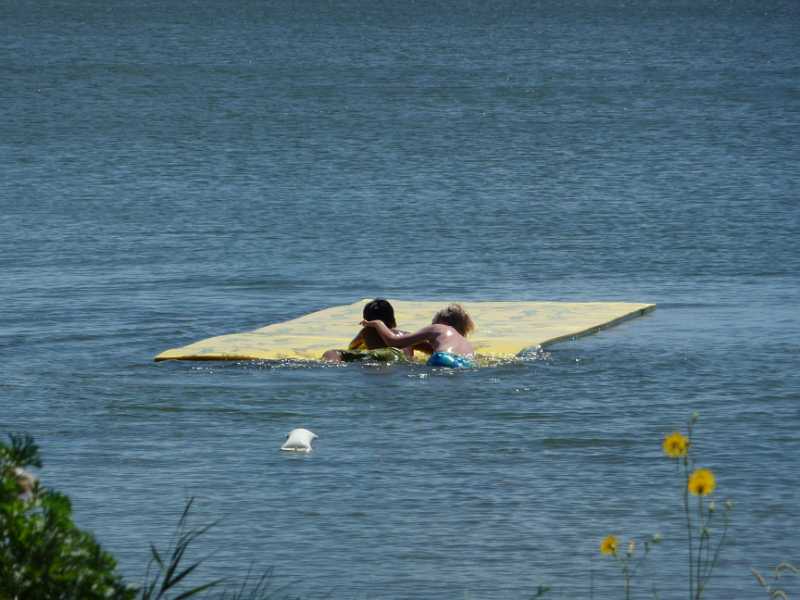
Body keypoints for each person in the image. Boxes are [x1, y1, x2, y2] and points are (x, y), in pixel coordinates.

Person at [361, 303, 475, 368]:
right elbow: (430, 348)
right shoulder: (465, 343)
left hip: (442, 358)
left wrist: (377, 323)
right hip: (467, 364)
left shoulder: (437, 327)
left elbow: (393, 342)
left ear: (441, 321)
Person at [322, 298, 414, 363]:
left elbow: (352, 346)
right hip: (403, 359)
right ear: (392, 318)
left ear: (367, 320)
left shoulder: (367, 332)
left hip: (380, 356)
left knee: (332, 353)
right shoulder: (408, 336)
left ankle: (333, 364)